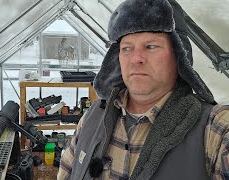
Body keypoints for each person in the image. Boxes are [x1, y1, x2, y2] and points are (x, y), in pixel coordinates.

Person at [57, 0, 229, 179]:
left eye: (151, 46)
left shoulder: (214, 128)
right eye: (126, 48)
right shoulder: (92, 117)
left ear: (179, 55)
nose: (136, 58)